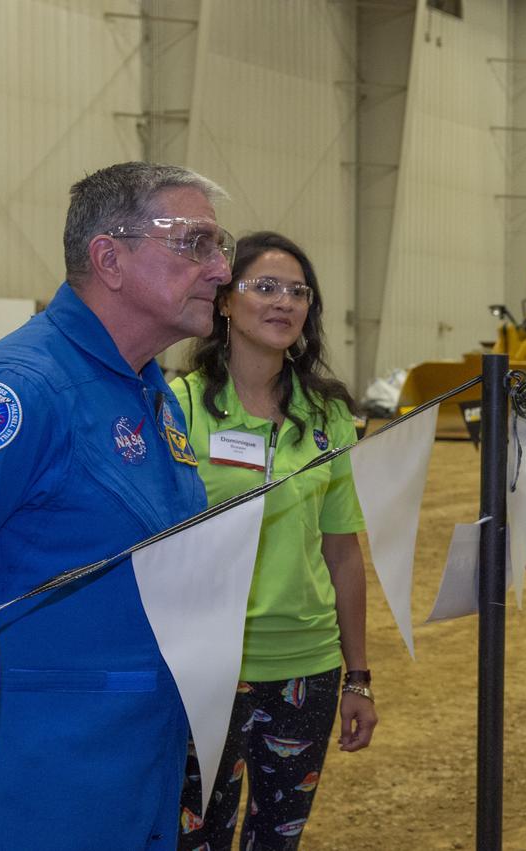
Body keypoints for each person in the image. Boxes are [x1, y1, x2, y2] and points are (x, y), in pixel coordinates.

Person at [0, 162, 233, 848]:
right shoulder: (22, 391)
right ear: (110, 259)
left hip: (132, 775)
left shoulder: (143, 391)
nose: (219, 270)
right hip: (33, 786)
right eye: (196, 244)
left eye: (221, 247)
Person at [170, 231, 376, 849]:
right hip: (206, 666)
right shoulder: (178, 408)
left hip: (306, 668)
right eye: (264, 287)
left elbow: (342, 551)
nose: (284, 302)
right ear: (225, 301)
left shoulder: (328, 415)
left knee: (277, 839)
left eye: (298, 291)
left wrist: (358, 677)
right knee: (196, 839)